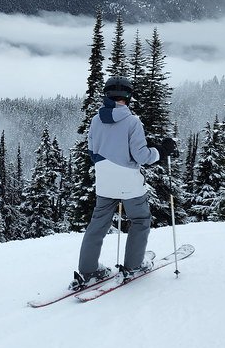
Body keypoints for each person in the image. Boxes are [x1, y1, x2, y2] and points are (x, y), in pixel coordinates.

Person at [72, 76, 176, 289]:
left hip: (104, 180)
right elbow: (142, 157)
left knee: (98, 224)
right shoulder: (132, 121)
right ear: (128, 96)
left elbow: (91, 152)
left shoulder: (95, 120)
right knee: (139, 220)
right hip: (129, 181)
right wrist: (162, 151)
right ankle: (133, 266)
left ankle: (88, 270)